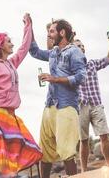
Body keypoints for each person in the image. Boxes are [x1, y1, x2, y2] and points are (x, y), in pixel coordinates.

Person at [0, 13, 42, 177]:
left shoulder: (10, 63)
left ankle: (9, 174)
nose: (11, 43)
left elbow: (24, 47)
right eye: (8, 41)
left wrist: (28, 25)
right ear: (0, 45)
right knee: (11, 149)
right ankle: (8, 174)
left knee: (25, 145)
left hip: (10, 112)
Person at [29, 19, 86, 177]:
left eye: (52, 31)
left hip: (67, 107)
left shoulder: (74, 52)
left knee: (67, 151)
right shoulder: (53, 52)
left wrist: (55, 79)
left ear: (62, 33)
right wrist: (29, 27)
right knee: (45, 151)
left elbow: (81, 77)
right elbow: (34, 51)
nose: (49, 34)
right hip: (50, 106)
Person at [74, 38, 109, 172]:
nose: (81, 47)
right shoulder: (70, 68)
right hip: (80, 107)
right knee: (84, 140)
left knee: (104, 135)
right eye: (78, 45)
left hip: (96, 104)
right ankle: (84, 171)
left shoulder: (92, 64)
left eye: (82, 45)